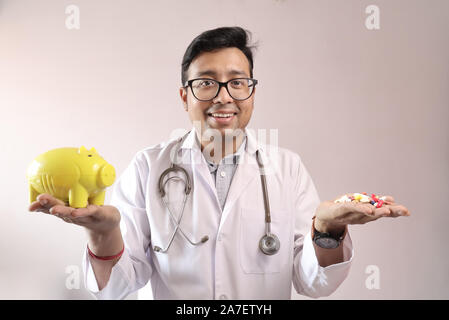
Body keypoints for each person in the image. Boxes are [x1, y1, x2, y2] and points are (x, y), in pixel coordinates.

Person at [28, 26, 410, 300]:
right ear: (185, 96)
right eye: (206, 83)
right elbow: (117, 288)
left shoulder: (287, 168)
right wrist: (103, 234)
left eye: (237, 82)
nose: (223, 96)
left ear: (252, 92)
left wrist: (326, 229)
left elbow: (314, 283)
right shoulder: (148, 166)